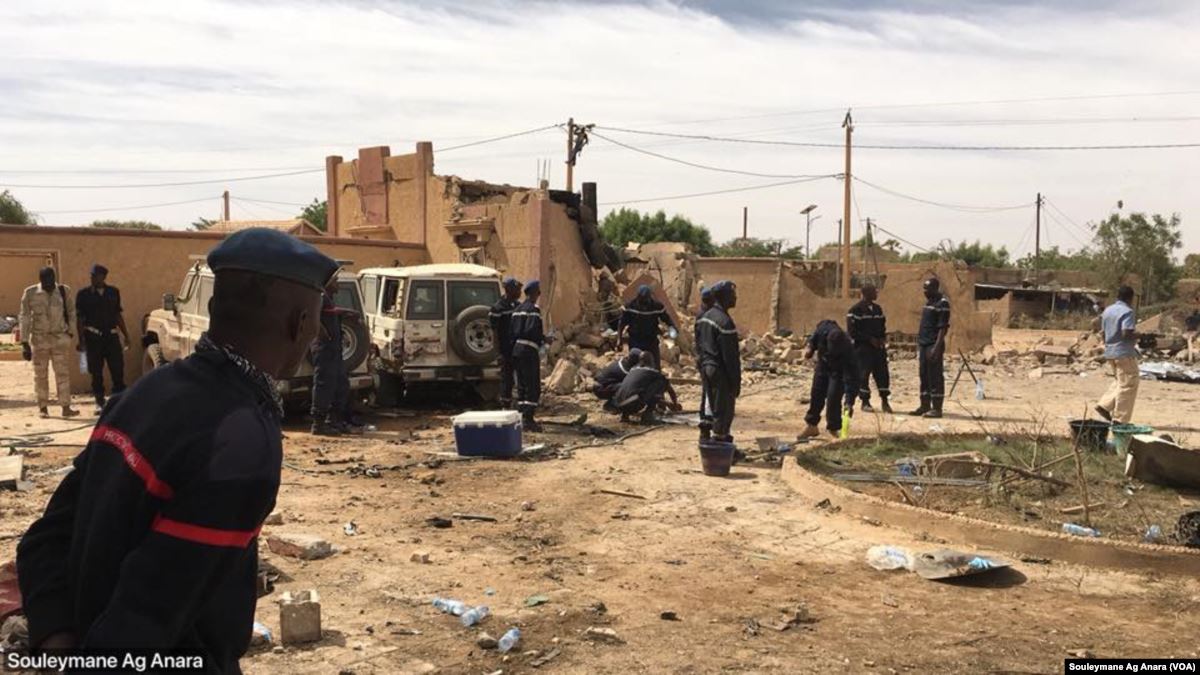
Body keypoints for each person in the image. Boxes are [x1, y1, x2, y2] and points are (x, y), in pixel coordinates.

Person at [17, 228, 336, 670]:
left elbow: (45, 539)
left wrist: (60, 642)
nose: (316, 334)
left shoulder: (144, 393)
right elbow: (145, 618)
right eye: (316, 321)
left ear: (213, 308)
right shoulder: (242, 441)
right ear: (300, 324)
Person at [19, 267, 79, 418]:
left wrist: (70, 333)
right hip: (40, 340)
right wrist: (24, 342)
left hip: (60, 338)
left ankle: (65, 407)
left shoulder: (64, 291)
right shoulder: (30, 293)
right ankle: (43, 407)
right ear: (40, 279)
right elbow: (24, 317)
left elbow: (71, 312)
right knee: (40, 375)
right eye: (45, 279)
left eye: (51, 279)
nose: (49, 282)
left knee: (62, 374)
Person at [75, 264, 129, 416]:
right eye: (91, 275)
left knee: (117, 369)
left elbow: (118, 315)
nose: (92, 278)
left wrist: (126, 335)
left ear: (103, 277)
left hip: (111, 337)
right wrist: (81, 340)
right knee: (96, 371)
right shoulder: (83, 294)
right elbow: (80, 319)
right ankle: (99, 402)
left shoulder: (113, 292)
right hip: (93, 338)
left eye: (95, 276)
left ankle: (118, 401)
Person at [310, 277, 358, 436]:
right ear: (328, 282)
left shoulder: (329, 299)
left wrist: (346, 313)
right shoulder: (321, 297)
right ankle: (318, 424)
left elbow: (331, 313)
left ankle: (334, 421)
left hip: (335, 349)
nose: (338, 284)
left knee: (341, 385)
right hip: (325, 348)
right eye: (335, 280)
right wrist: (324, 334)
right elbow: (312, 317)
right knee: (324, 385)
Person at [696, 280, 740, 442]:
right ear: (724, 297)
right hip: (720, 370)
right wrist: (735, 382)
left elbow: (698, 344)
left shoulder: (705, 317)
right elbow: (730, 357)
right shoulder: (724, 322)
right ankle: (719, 447)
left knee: (710, 404)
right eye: (732, 295)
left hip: (707, 367)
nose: (735, 298)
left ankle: (706, 440)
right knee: (723, 410)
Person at [801, 319, 859, 438]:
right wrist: (811, 348)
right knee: (816, 394)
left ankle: (834, 428)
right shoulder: (824, 329)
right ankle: (812, 426)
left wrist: (849, 402)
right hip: (823, 365)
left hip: (837, 371)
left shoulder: (849, 350)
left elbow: (852, 378)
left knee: (834, 398)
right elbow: (814, 336)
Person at [1095, 285, 1140, 423]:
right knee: (1129, 384)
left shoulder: (1108, 311)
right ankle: (1120, 419)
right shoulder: (1127, 311)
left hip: (1110, 352)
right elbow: (1126, 333)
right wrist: (1141, 335)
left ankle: (1105, 405)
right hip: (1124, 352)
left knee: (1120, 381)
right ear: (1130, 298)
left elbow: (1103, 333)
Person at [510, 280, 550, 431]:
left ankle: (521, 416)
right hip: (529, 350)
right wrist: (544, 339)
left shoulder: (517, 310)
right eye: (538, 292)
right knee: (532, 385)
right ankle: (528, 419)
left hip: (517, 350)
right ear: (534, 293)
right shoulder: (534, 310)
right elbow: (532, 330)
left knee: (522, 385)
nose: (539, 295)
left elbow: (512, 332)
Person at [846, 284, 891, 413]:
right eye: (874, 292)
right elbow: (852, 332)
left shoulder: (878, 309)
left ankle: (885, 401)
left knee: (882, 374)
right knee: (863, 375)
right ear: (867, 294)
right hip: (863, 349)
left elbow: (882, 326)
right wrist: (869, 339)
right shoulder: (855, 310)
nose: (876, 294)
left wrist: (881, 339)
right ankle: (865, 401)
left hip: (878, 349)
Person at [910, 278, 950, 418]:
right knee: (924, 375)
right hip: (924, 344)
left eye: (927, 289)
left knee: (935, 376)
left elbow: (943, 328)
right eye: (924, 288)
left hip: (933, 345)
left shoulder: (942, 304)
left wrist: (936, 347)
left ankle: (937, 408)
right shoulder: (929, 302)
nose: (925, 291)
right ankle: (924, 405)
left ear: (935, 288)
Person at [618, 284, 677, 367]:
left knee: (654, 366)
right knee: (635, 366)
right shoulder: (630, 307)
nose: (644, 304)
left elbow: (666, 319)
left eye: (646, 300)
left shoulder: (657, 307)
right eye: (642, 300)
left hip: (651, 341)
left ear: (649, 297)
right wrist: (619, 339)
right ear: (638, 297)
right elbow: (622, 323)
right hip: (635, 341)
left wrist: (672, 328)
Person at [611, 352, 680, 423]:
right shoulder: (654, 373)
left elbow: (644, 394)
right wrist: (675, 404)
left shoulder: (632, 370)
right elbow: (669, 389)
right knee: (661, 382)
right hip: (633, 404)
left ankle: (625, 416)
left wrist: (668, 404)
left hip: (618, 405)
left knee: (636, 391)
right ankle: (648, 415)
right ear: (651, 361)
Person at [489, 277, 522, 408]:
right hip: (505, 349)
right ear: (509, 290)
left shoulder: (518, 306)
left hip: (518, 347)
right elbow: (494, 332)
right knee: (507, 378)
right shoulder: (498, 308)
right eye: (516, 289)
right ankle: (505, 404)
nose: (519, 292)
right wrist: (497, 352)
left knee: (521, 377)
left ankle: (520, 403)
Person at [695, 286, 715, 437]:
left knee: (706, 390)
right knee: (709, 391)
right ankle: (706, 421)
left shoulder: (701, 314)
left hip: (702, 356)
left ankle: (705, 418)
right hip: (707, 358)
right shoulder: (706, 316)